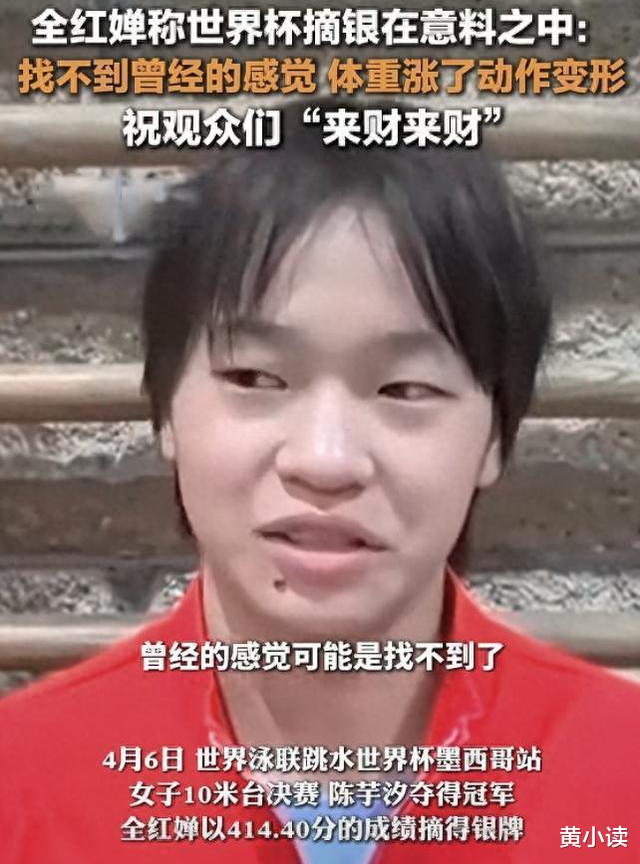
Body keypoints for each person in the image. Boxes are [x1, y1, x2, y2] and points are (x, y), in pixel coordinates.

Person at [0, 99, 638, 863]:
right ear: (165, 411)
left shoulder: (619, 779)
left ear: (496, 437)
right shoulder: (21, 788)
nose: (325, 461)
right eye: (255, 377)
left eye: (405, 389)